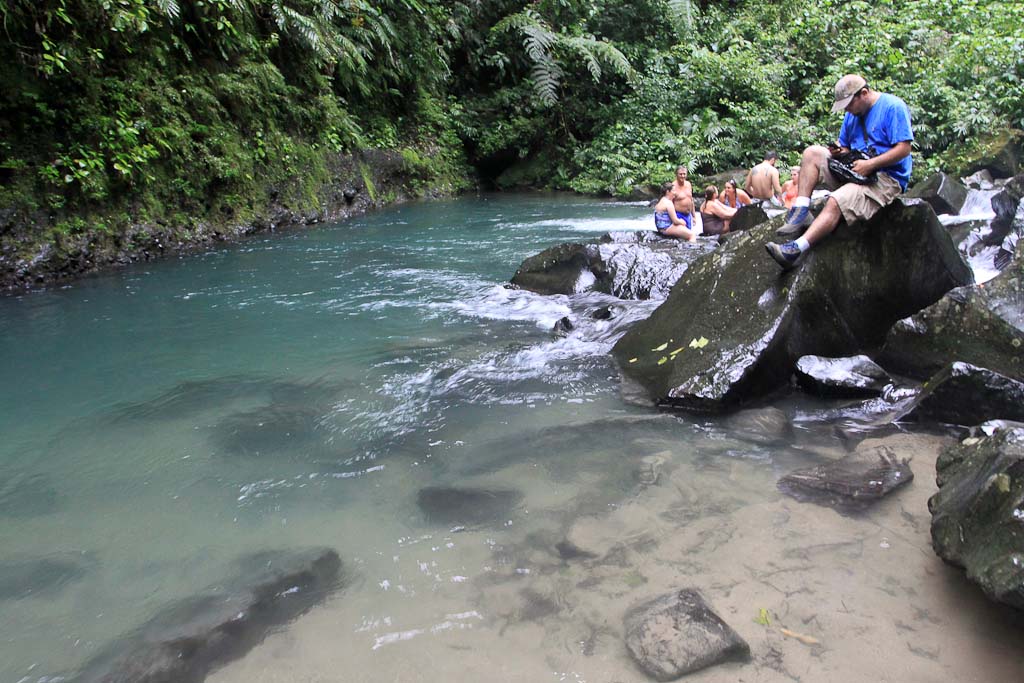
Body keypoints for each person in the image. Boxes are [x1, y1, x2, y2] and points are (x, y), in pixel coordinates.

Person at [766, 74, 913, 270]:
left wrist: (871, 165)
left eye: (849, 104)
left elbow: (904, 148)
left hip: (885, 179)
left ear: (864, 93)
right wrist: (839, 151)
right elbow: (845, 147)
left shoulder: (893, 107)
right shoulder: (852, 116)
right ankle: (801, 211)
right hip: (855, 171)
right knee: (812, 153)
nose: (847, 110)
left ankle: (794, 250)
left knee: (835, 200)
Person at [670, 165, 695, 231]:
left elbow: (691, 200)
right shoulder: (673, 187)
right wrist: (674, 219)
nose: (682, 176)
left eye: (684, 174)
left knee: (689, 236)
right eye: (680, 174)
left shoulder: (688, 184)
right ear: (676, 175)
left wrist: (694, 216)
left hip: (688, 215)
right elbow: (670, 204)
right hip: (678, 215)